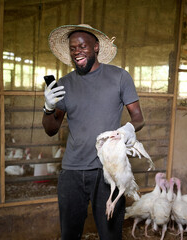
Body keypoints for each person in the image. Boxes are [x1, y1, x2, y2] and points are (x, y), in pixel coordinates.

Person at [42, 24, 145, 240]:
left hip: (108, 170)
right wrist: (48, 107)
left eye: (82, 46)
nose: (77, 51)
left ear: (96, 47)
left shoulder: (119, 77)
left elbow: (138, 118)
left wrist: (128, 129)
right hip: (72, 171)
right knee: (69, 235)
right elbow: (51, 129)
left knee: (110, 235)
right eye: (72, 48)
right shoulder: (65, 84)